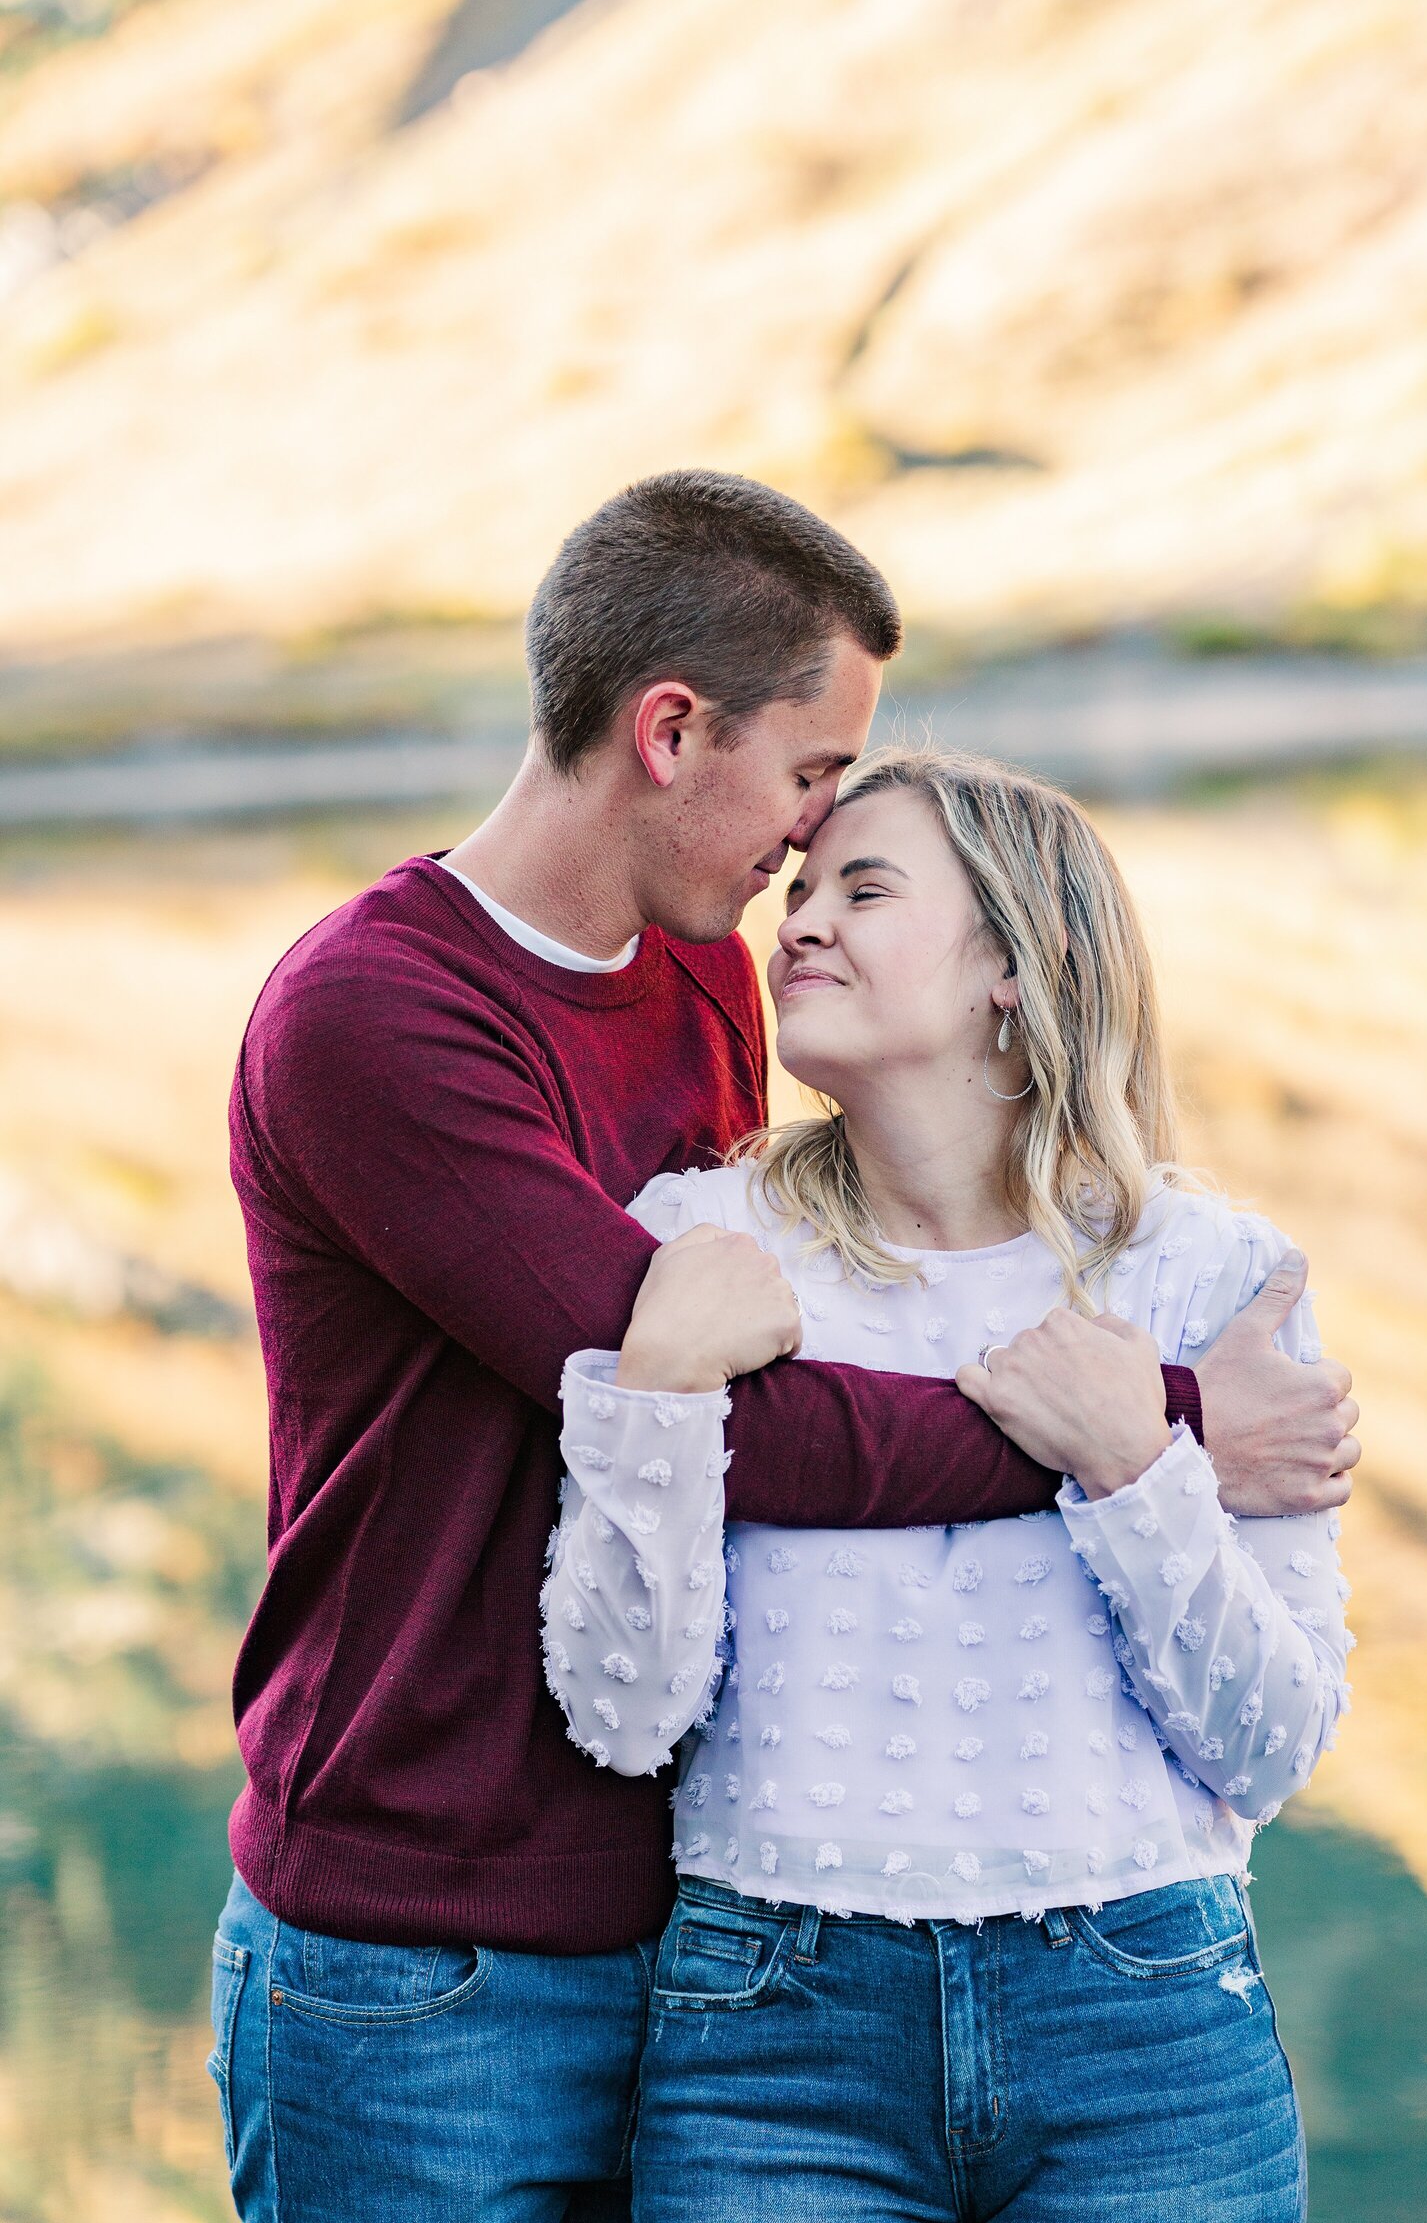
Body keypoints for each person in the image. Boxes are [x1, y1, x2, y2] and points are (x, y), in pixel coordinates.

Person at [210, 471, 1358, 2220]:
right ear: (673, 731)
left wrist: (1153, 1422)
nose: (800, 864)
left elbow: (779, 1367)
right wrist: (1167, 1423)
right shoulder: (375, 1019)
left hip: (691, 1928)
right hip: (427, 1941)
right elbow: (743, 1431)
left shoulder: (701, 989)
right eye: (812, 777)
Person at [545, 745, 1354, 2221]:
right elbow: (622, 1713)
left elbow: (1273, 1747)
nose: (796, 922)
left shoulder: (1211, 1278)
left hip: (1147, 2024)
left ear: (1014, 961)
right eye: (799, 889)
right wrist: (656, 1398)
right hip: (769, 2037)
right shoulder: (701, 1245)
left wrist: (1132, 1463)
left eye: (863, 887)